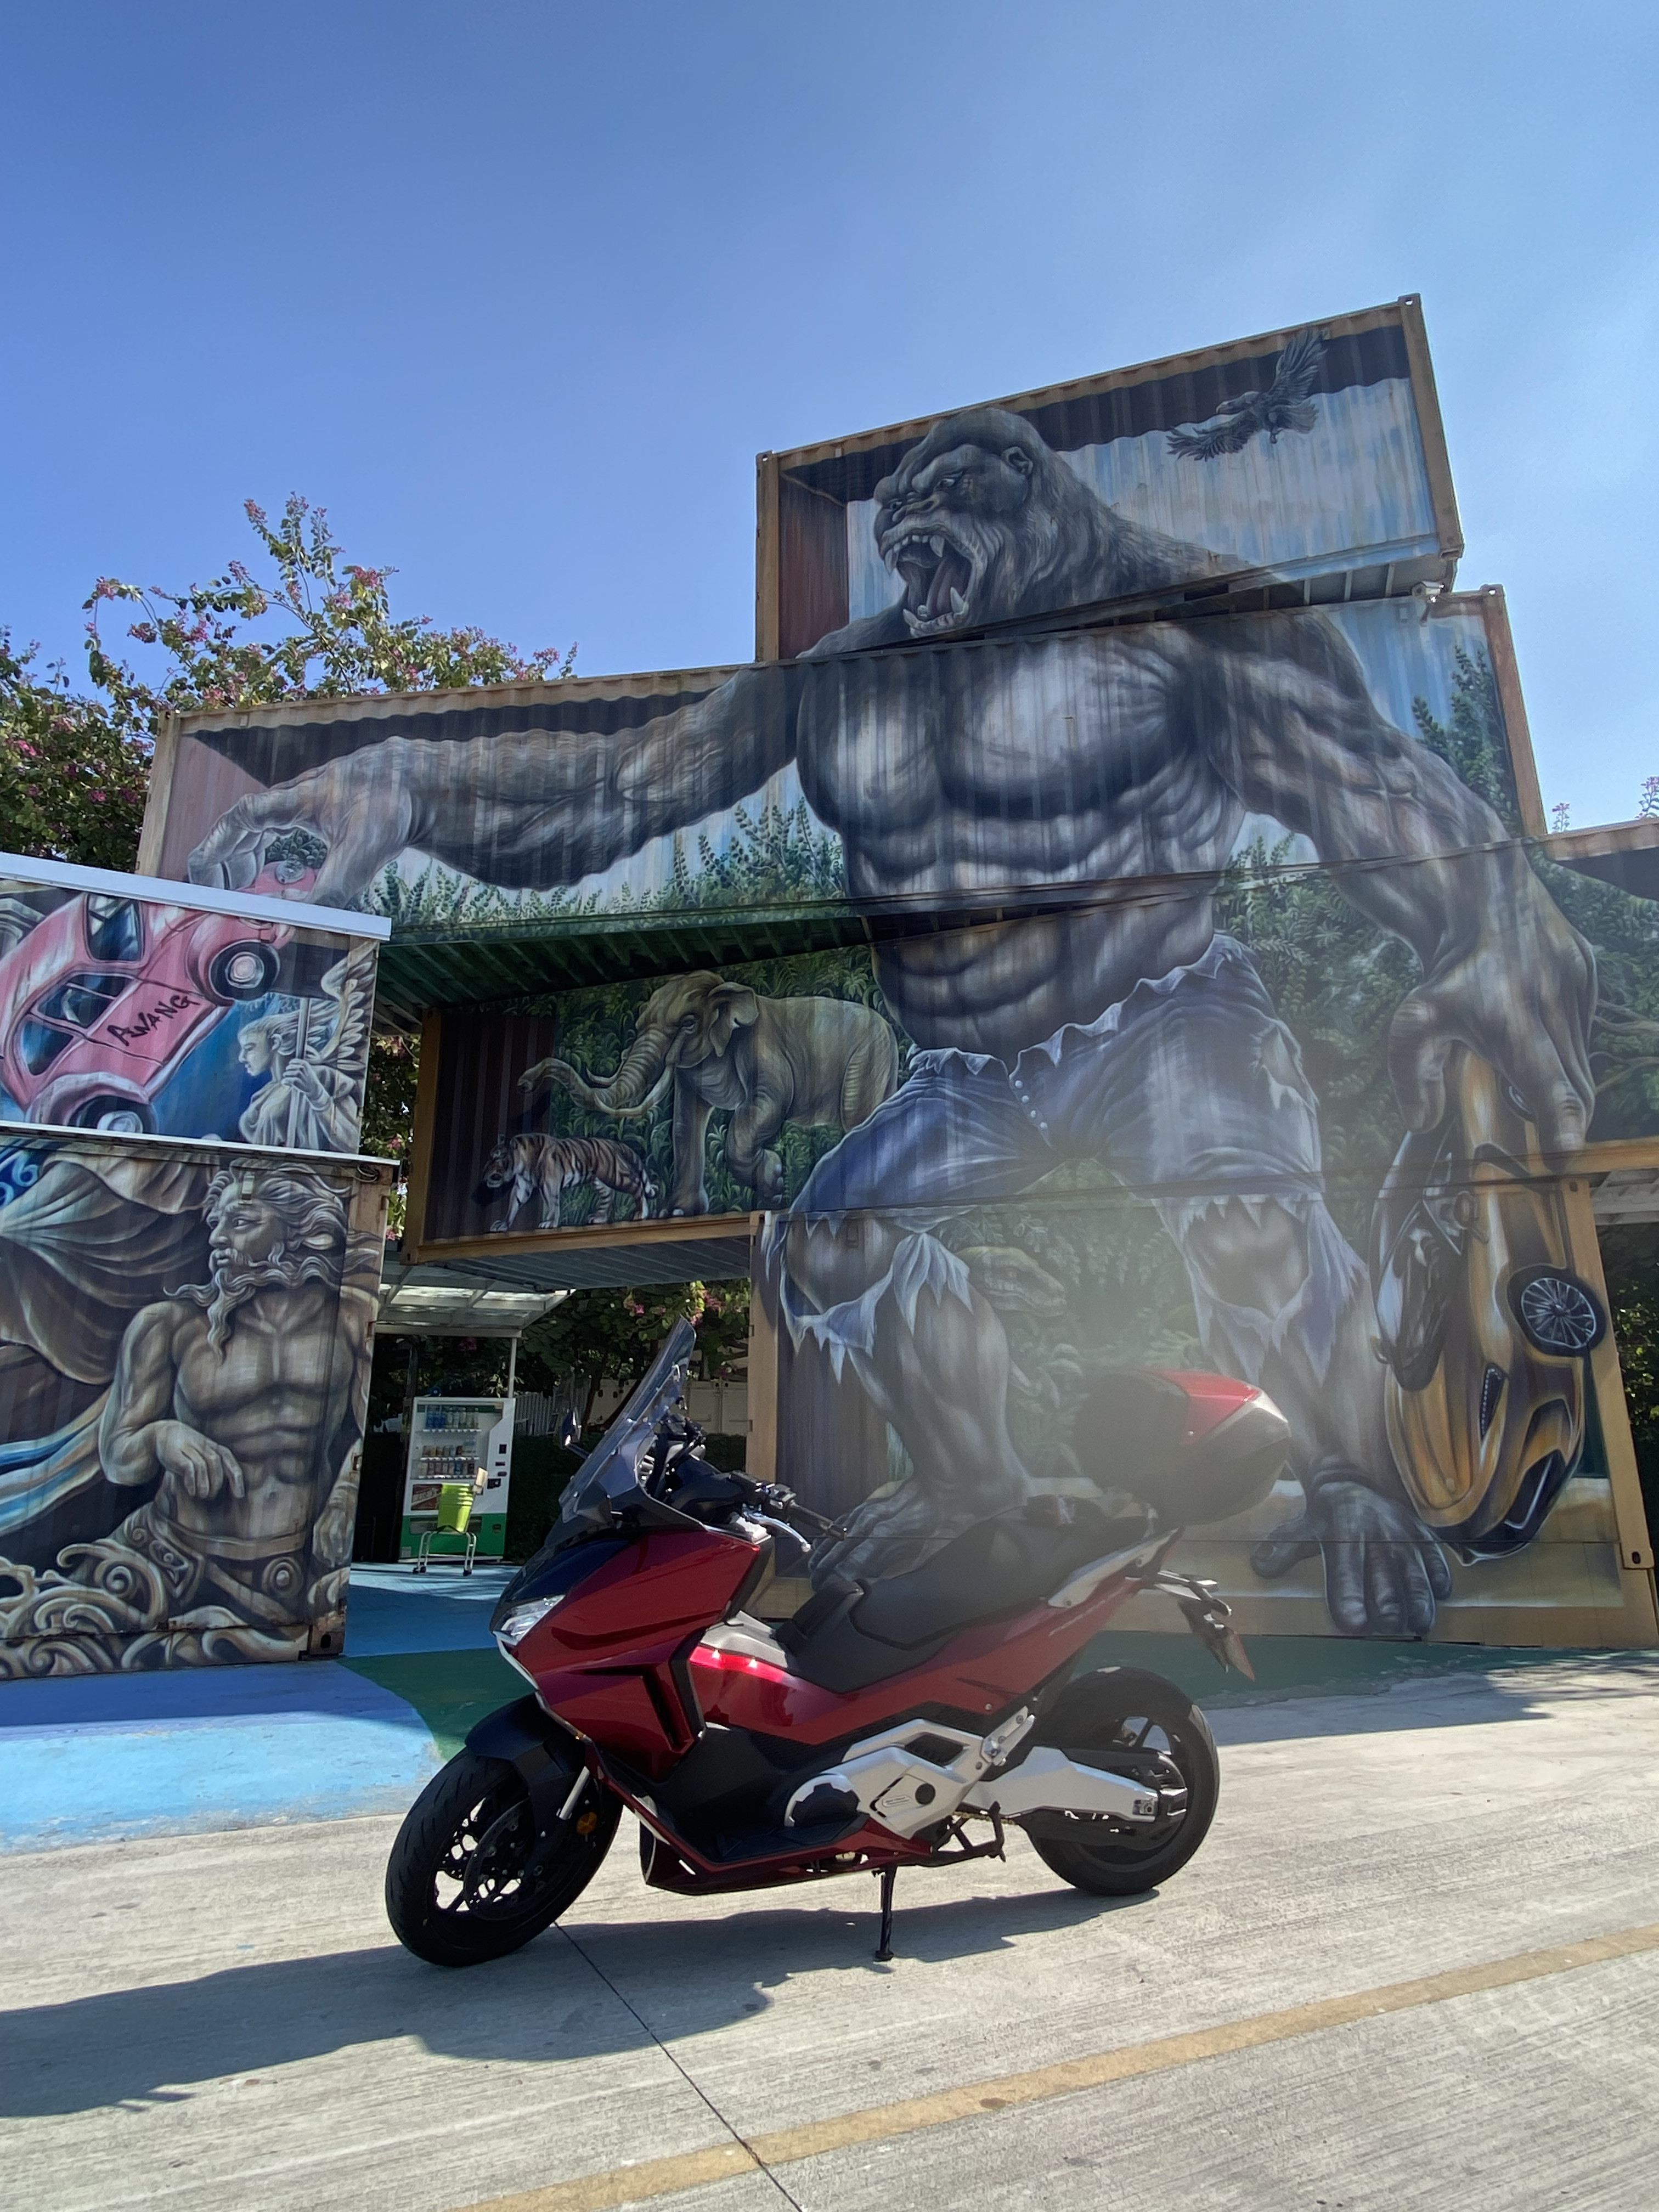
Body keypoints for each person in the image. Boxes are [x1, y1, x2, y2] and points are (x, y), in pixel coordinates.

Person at [186, 407, 1595, 1634]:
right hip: (966, 1065)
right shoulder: (841, 678)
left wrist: (1488, 929)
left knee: (1246, 1208)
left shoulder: (1180, 629)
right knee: (826, 1242)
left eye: (946, 521)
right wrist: (406, 783)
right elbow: (617, 791)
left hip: (1165, 1013)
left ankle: (1347, 1477)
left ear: (1035, 504)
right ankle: (982, 1488)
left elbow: (1371, 790)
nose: (914, 559)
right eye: (899, 536)